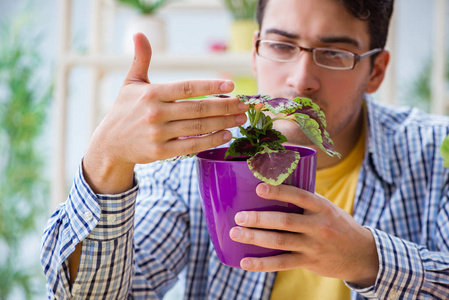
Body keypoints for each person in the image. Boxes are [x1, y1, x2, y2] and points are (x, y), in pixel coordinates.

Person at [41, 0, 449, 299]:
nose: (301, 79)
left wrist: (368, 259)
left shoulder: (436, 155)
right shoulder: (202, 161)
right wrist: (107, 158)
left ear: (376, 70)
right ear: (254, 51)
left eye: (334, 53)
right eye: (281, 46)